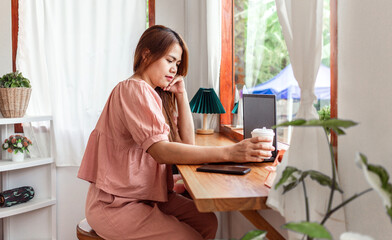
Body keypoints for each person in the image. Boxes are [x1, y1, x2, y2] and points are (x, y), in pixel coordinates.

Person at [77, 25, 274, 240]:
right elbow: (161, 151)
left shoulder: (153, 95)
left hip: (145, 197)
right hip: (116, 204)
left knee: (207, 223)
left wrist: (181, 94)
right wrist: (231, 152)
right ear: (147, 54)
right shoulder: (134, 89)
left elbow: (187, 144)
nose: (174, 69)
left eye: (177, 64)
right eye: (169, 61)